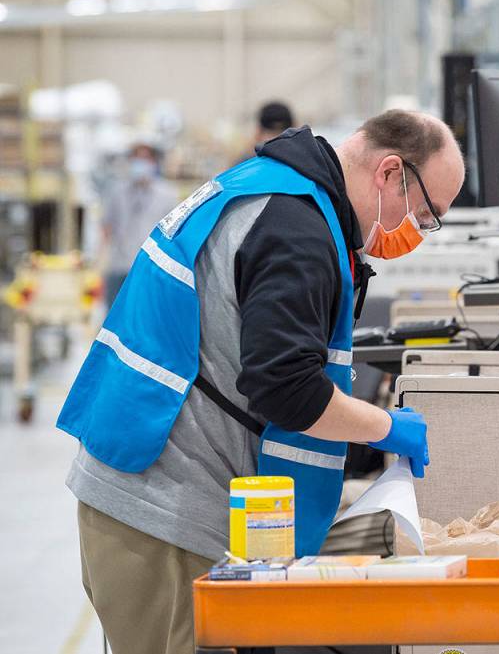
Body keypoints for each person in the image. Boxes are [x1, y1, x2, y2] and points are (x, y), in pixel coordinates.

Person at [57, 110, 465, 653]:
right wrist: (384, 426)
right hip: (168, 511)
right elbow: (286, 387)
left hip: (153, 486)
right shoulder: (295, 227)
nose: (419, 231)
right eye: (426, 213)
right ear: (390, 173)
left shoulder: (271, 189)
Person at [100, 142, 179, 306]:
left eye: (145, 159)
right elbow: (106, 227)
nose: (140, 164)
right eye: (137, 158)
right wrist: (100, 261)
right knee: (116, 319)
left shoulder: (168, 195)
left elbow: (175, 233)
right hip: (120, 266)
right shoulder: (116, 192)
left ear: (154, 163)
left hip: (151, 269)